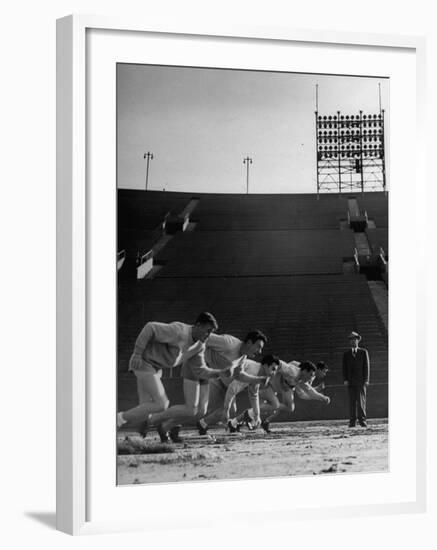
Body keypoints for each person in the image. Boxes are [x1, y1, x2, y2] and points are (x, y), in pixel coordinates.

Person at [116, 312, 219, 429]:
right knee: (162, 404)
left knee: (144, 414)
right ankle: (118, 418)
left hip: (156, 369)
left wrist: (219, 373)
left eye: (211, 333)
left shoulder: (200, 346)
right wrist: (137, 353)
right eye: (208, 330)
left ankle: (130, 439)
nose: (208, 335)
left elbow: (200, 370)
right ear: (198, 325)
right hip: (143, 363)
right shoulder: (179, 331)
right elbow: (150, 327)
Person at [196, 330, 269, 434]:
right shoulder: (229, 343)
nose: (260, 351)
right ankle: (172, 424)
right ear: (249, 343)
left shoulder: (243, 358)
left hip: (220, 379)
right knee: (197, 409)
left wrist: (257, 416)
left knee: (230, 410)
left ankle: (202, 424)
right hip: (205, 372)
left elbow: (241, 379)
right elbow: (202, 336)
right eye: (258, 346)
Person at [238, 360, 331, 433]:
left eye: (312, 375)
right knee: (275, 406)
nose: (311, 378)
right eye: (310, 375)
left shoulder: (302, 378)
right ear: (305, 371)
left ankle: (252, 417)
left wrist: (322, 397)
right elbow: (280, 363)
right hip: (271, 385)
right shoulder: (293, 371)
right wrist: (271, 372)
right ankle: (252, 415)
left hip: (284, 388)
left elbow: (309, 390)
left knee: (288, 408)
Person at [342, 331, 370, 428]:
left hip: (361, 381)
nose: (353, 341)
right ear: (350, 342)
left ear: (358, 340)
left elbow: (366, 367)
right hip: (350, 382)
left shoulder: (363, 352)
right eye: (351, 340)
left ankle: (362, 420)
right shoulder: (346, 354)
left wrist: (366, 379)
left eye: (355, 339)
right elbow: (344, 368)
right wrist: (345, 379)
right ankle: (352, 421)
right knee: (352, 401)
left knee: (361, 401)